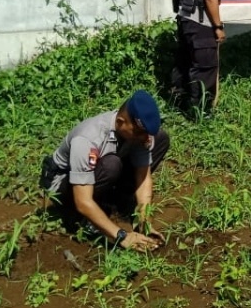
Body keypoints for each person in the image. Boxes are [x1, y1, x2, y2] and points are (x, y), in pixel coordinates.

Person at [39, 91, 169, 252]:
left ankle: (116, 202)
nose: (144, 137)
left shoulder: (136, 134)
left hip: (96, 174)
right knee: (110, 165)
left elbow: (144, 177)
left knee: (161, 138)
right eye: (139, 132)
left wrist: (145, 221)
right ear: (121, 122)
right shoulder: (88, 139)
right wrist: (122, 236)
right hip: (64, 185)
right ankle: (80, 220)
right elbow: (83, 201)